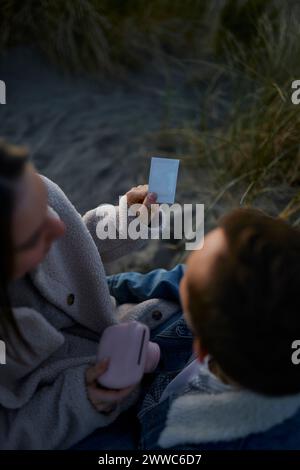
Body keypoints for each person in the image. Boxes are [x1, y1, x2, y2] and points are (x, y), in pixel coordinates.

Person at [0, 139, 180, 449]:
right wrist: (87, 398)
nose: (57, 228)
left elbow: (79, 244)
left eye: (45, 203)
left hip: (114, 319)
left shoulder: (23, 188)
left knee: (196, 283)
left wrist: (128, 221)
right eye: (32, 236)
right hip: (72, 421)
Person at [104, 209, 300, 450]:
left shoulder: (187, 444)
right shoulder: (273, 287)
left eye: (187, 281)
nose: (180, 276)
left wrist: (96, 405)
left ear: (202, 350)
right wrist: (105, 287)